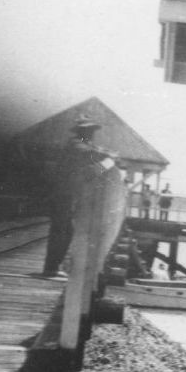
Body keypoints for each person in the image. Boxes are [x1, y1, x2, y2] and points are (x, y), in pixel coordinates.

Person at [40, 114, 118, 278]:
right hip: (63, 194)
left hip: (68, 194)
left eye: (91, 130)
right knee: (62, 230)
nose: (91, 134)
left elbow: (92, 169)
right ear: (82, 131)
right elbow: (92, 158)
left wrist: (106, 159)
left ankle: (52, 267)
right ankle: (51, 268)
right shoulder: (76, 145)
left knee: (65, 230)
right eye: (89, 130)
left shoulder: (82, 146)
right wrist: (109, 159)